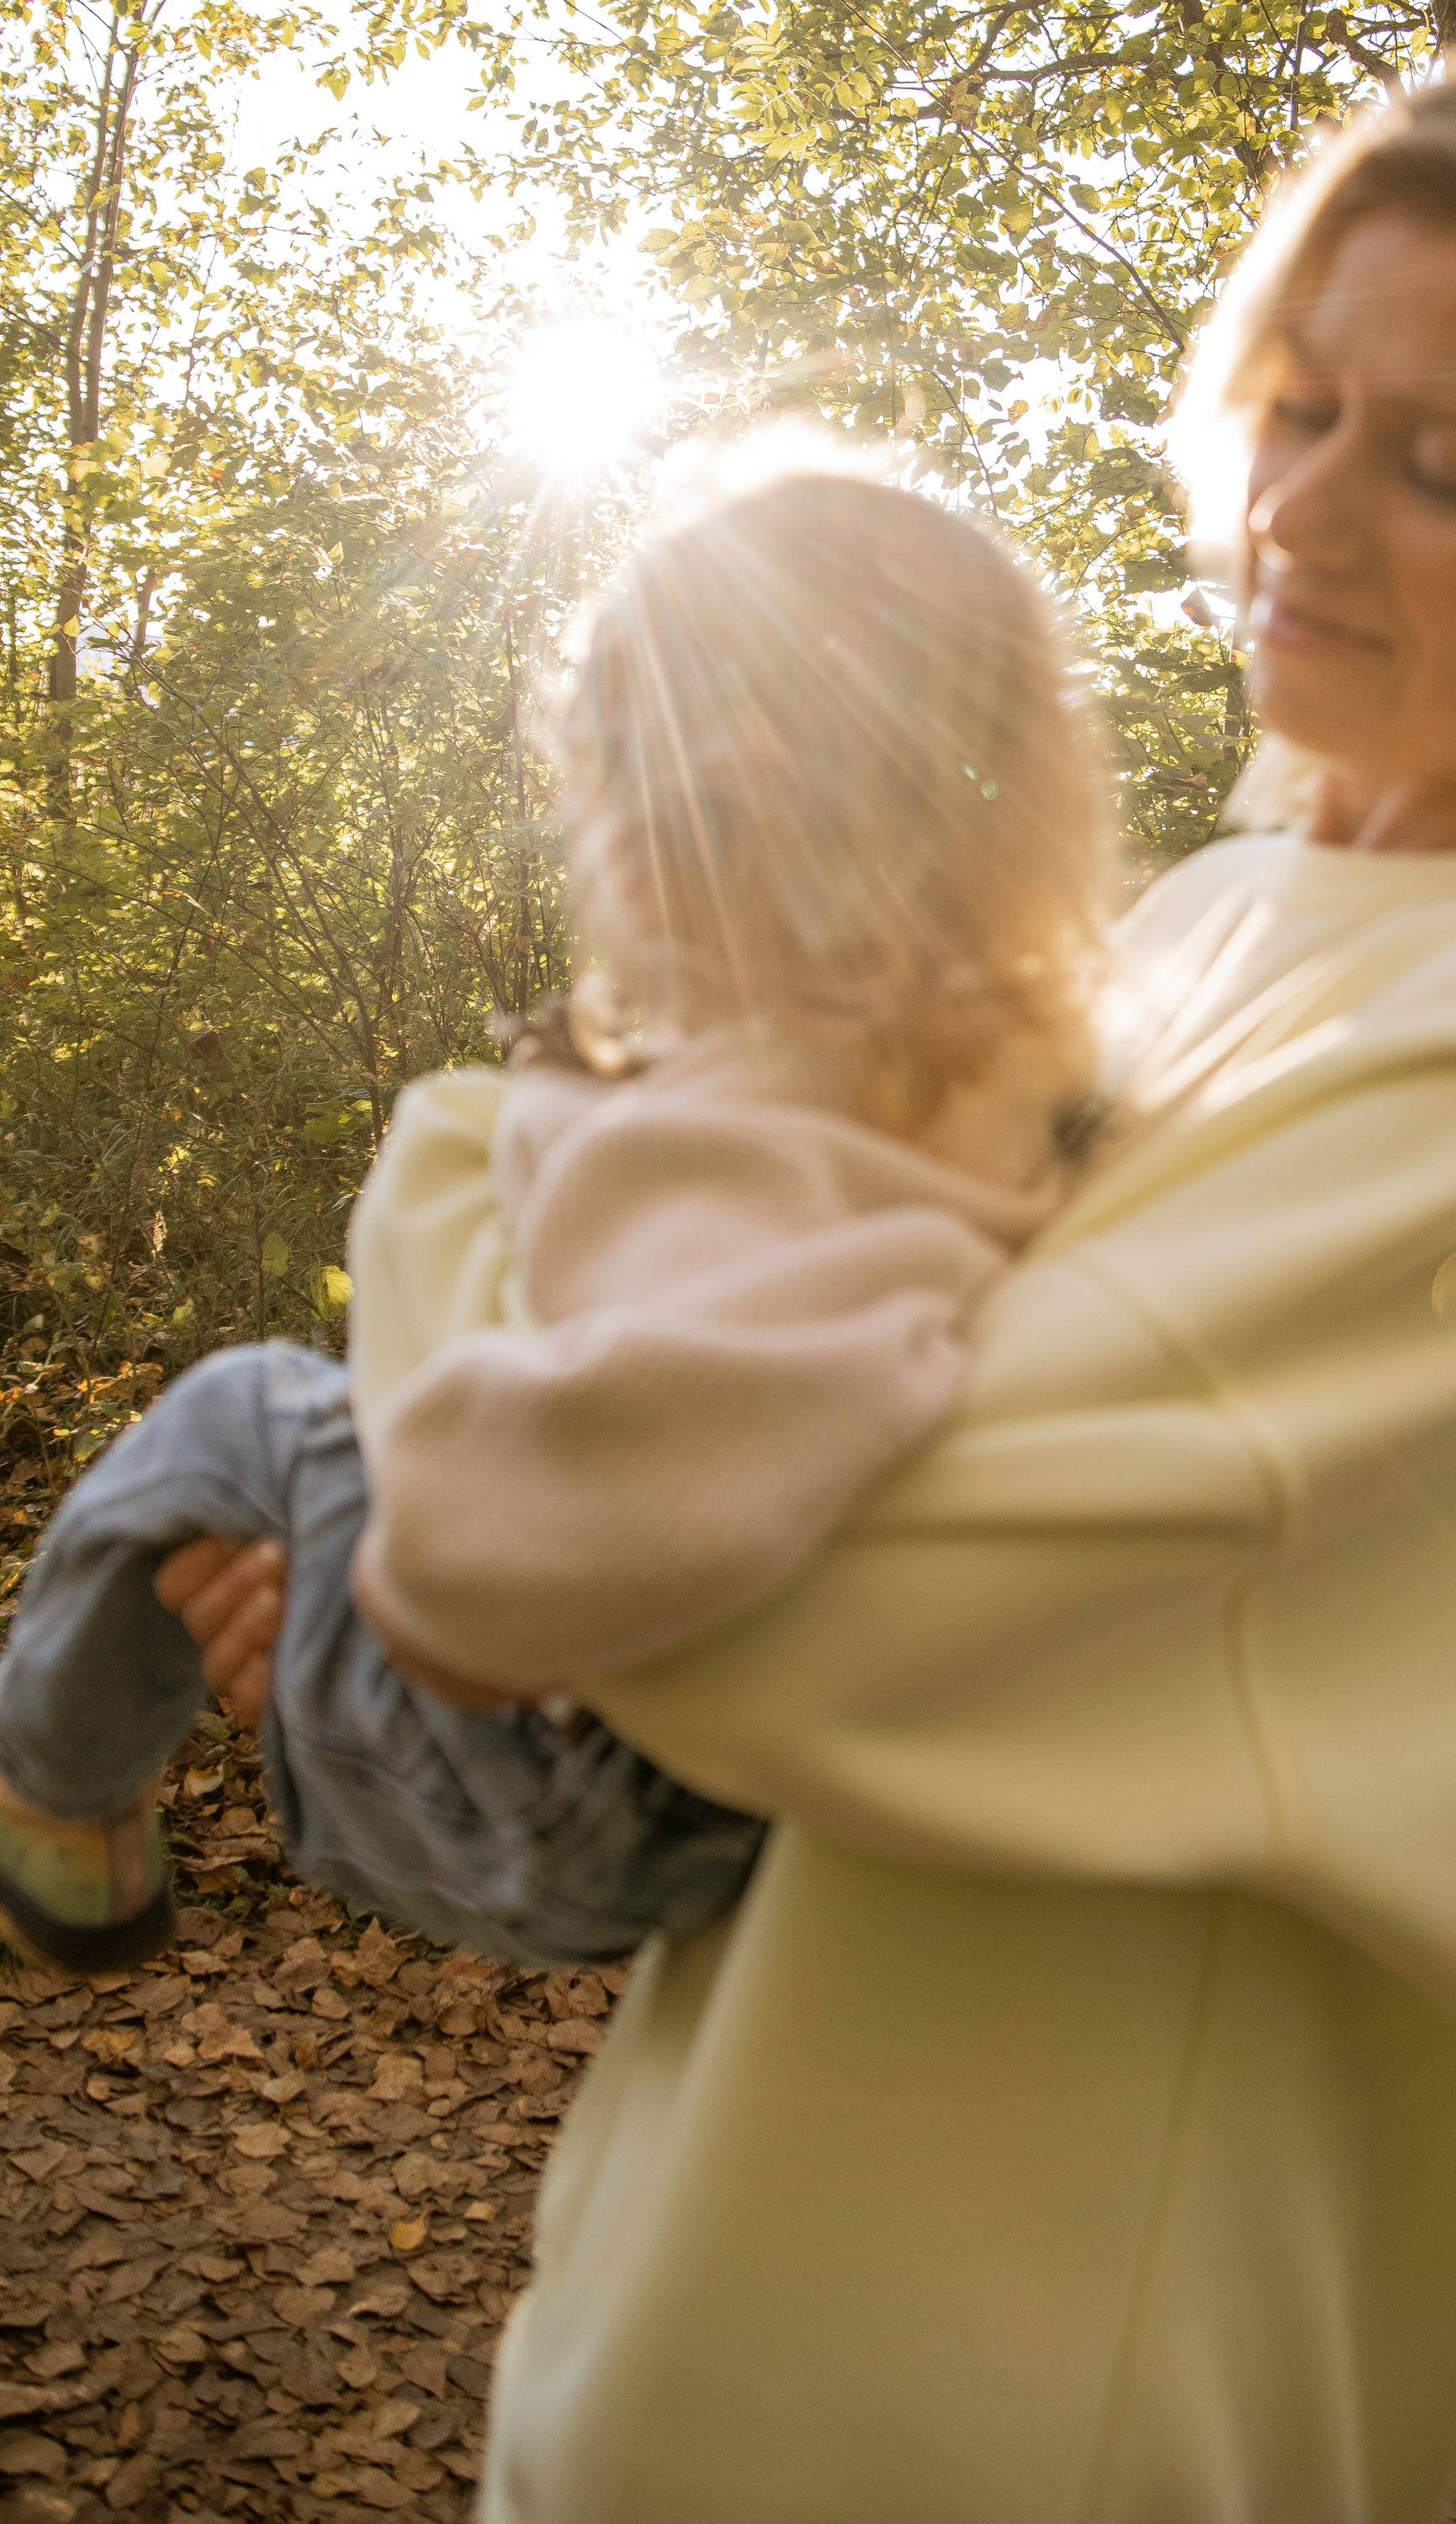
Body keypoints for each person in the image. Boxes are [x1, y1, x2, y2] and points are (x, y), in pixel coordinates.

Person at [347, 39, 1456, 2524]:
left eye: (1450, 468)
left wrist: (424, 1260)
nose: (1306, 516)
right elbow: (703, 1407)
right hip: (698, 2319)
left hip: (1032, 2400)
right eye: (1298, 406)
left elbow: (784, 1611)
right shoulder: (1223, 914)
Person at [0, 457, 1104, 1975]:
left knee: (247, 1411)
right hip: (693, 1795)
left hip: (556, 1789)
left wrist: (386, 1567)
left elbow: (606, 1476)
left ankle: (55, 1813)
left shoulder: (759, 1125)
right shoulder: (1000, 1082)